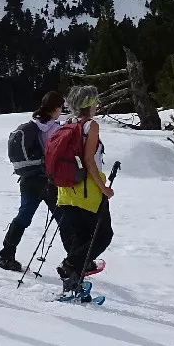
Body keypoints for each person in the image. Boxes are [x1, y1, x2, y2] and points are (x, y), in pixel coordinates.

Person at [54, 85, 114, 296]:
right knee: (103, 235)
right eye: (95, 102)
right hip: (87, 190)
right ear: (89, 104)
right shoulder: (90, 126)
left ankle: (73, 281)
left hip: (65, 189)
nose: (97, 105)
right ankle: (70, 266)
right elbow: (89, 160)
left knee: (81, 235)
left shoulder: (66, 123)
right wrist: (103, 188)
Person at [0, 91, 65, 271]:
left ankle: (6, 255)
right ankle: (75, 262)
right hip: (46, 180)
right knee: (64, 218)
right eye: (61, 107)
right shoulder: (54, 129)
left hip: (27, 178)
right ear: (56, 108)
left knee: (23, 216)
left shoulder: (33, 124)